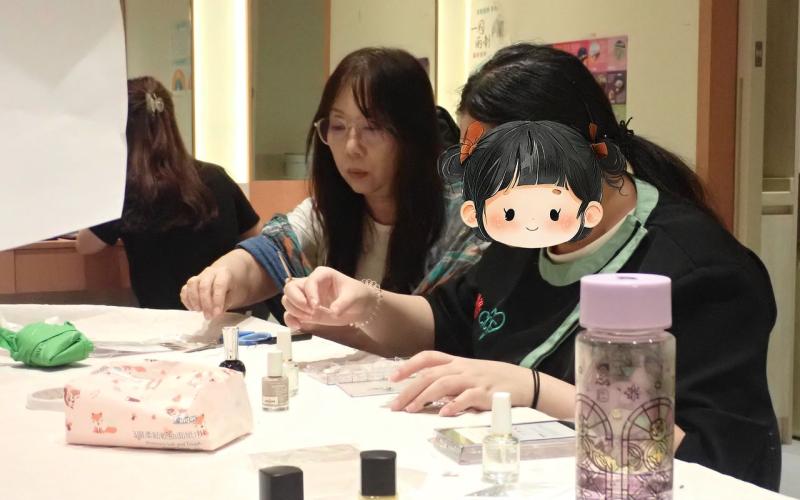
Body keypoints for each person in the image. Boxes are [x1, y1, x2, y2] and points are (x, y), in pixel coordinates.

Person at [278, 44, 781, 490]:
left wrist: (536, 391)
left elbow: (718, 462)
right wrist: (365, 304)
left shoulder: (702, 271)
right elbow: (447, 321)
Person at [180, 48, 485, 320]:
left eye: (372, 127)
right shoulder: (327, 211)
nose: (351, 146)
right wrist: (221, 277)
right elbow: (268, 252)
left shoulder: (464, 220)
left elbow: (447, 325)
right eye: (337, 126)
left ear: (413, 134)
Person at [76, 76, 261, 309]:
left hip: (163, 321)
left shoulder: (127, 191)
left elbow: (85, 244)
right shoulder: (216, 176)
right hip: (226, 315)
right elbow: (256, 236)